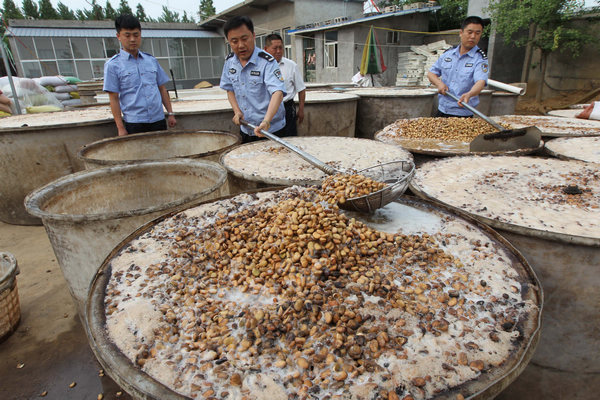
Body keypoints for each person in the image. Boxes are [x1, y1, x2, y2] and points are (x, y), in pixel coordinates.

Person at [103, 14, 176, 136]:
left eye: (136, 35)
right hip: (135, 123)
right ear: (118, 36)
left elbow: (162, 89)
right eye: (127, 35)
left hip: (158, 120)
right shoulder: (113, 65)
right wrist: (120, 127)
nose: (132, 39)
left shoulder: (151, 60)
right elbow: (114, 98)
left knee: (162, 153)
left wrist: (170, 113)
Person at [220, 16, 286, 143]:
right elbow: (229, 89)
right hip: (246, 128)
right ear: (229, 42)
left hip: (270, 130)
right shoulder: (229, 62)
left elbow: (278, 92)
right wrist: (237, 111)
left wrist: (266, 121)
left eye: (245, 39)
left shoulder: (267, 62)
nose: (241, 45)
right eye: (234, 41)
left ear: (253, 36)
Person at [427, 16, 489, 117]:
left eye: (477, 33)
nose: (473, 36)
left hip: (463, 113)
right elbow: (431, 73)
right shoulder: (448, 54)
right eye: (470, 32)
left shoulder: (480, 59)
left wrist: (470, 94)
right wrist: (439, 84)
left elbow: (480, 82)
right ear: (461, 33)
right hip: (442, 110)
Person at [264, 33, 306, 136]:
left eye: (280, 48)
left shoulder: (291, 65)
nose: (278, 51)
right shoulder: (260, 67)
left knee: (289, 140)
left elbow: (301, 89)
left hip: (287, 109)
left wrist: (301, 110)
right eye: (275, 48)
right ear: (266, 49)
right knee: (271, 140)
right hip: (268, 110)